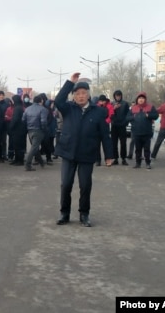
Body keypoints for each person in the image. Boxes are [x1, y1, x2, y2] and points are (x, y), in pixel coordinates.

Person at [54, 73, 112, 227]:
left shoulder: (98, 112)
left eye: (83, 93)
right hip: (68, 152)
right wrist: (70, 83)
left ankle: (84, 214)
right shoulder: (68, 108)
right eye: (77, 93)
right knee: (66, 184)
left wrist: (109, 155)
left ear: (88, 95)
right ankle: (64, 213)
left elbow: (105, 135)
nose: (81, 96)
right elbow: (59, 100)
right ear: (73, 96)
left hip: (87, 153)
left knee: (85, 185)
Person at [127, 92, 159, 169]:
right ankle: (138, 163)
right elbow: (127, 117)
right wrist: (133, 117)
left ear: (145, 99)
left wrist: (149, 115)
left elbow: (156, 116)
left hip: (147, 132)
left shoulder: (150, 107)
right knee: (138, 149)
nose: (141, 100)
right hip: (136, 132)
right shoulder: (133, 108)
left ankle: (148, 163)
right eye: (139, 98)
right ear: (137, 99)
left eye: (142, 98)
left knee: (147, 149)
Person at [22, 95, 48, 171]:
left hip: (30, 130)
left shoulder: (27, 109)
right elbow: (43, 121)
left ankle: (41, 162)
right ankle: (28, 164)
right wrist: (44, 129)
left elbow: (23, 119)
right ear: (41, 101)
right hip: (38, 130)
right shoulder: (43, 109)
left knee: (35, 147)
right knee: (34, 148)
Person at [110, 89, 130, 165]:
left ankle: (123, 158)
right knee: (114, 143)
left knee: (123, 143)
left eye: (119, 96)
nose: (118, 97)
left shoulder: (125, 104)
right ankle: (115, 158)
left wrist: (125, 122)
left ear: (121, 96)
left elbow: (128, 114)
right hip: (114, 126)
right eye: (116, 96)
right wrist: (114, 108)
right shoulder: (112, 104)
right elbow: (109, 114)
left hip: (122, 125)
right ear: (114, 96)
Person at [7, 94, 26, 166]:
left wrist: (10, 127)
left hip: (18, 130)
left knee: (18, 146)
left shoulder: (17, 108)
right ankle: (17, 159)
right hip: (20, 129)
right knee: (16, 145)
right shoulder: (19, 107)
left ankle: (20, 161)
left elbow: (15, 119)